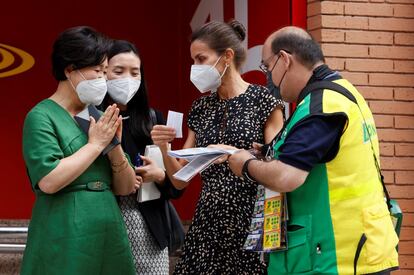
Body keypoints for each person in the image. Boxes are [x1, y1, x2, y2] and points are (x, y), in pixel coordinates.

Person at [228, 26, 399, 275]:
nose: (267, 78)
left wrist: (245, 164)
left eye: (267, 67)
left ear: (284, 60)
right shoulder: (343, 93)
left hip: (337, 254)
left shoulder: (322, 104)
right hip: (358, 248)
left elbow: (288, 175)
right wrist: (267, 151)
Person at [151, 20, 285, 274]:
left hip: (251, 219)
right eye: (193, 60)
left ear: (227, 56)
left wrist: (237, 154)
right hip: (208, 221)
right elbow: (180, 180)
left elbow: (278, 165)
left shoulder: (263, 100)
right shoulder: (201, 108)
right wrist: (164, 147)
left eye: (201, 59)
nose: (195, 67)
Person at [21, 27, 136, 275]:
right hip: (63, 229)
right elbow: (49, 181)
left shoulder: (99, 116)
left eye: (105, 73)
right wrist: (95, 145)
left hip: (108, 228)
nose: (103, 80)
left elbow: (126, 187)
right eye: (97, 71)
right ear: (70, 69)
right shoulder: (41, 116)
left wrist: (114, 146)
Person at [103, 39, 183, 274]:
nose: (127, 78)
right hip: (106, 224)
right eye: (118, 71)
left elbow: (177, 188)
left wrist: (159, 175)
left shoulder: (153, 119)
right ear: (103, 72)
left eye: (134, 72)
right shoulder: (91, 118)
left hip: (150, 229)